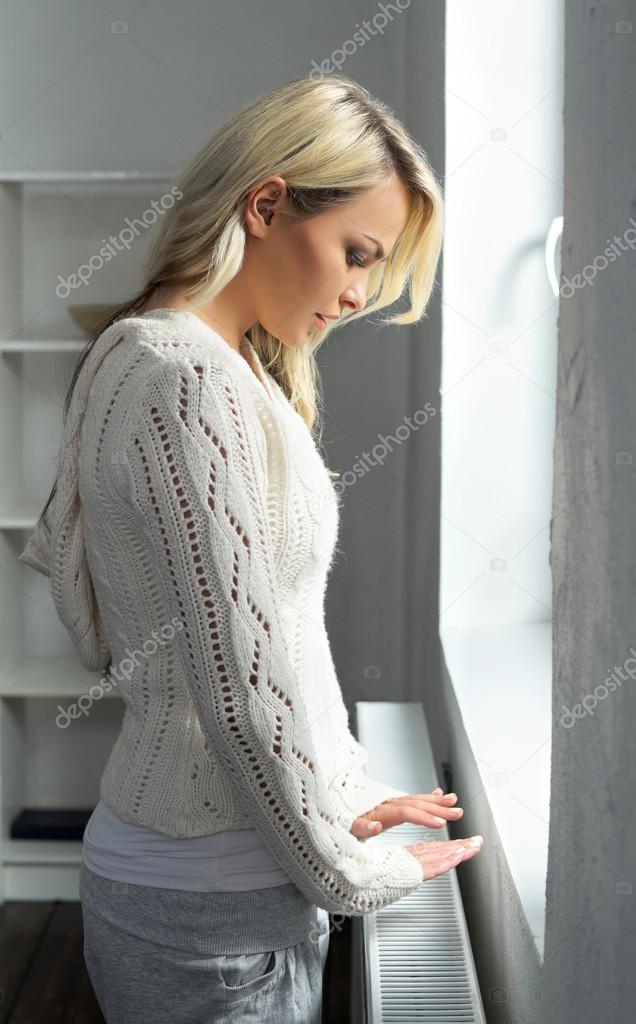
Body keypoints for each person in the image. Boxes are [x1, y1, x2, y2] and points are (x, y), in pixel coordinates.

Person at [19, 74, 483, 1023]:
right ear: (267, 204)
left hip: (196, 881)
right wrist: (351, 867)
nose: (358, 294)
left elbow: (96, 608)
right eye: (357, 254)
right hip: (213, 916)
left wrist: (343, 790)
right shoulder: (188, 379)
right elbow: (236, 689)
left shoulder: (144, 352)